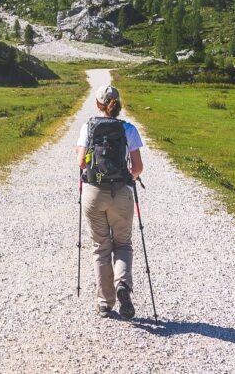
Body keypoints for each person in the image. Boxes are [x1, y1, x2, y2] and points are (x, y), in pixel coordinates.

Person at [75, 83, 143, 319]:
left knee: (101, 248)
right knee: (123, 244)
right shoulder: (129, 129)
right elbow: (137, 168)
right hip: (121, 193)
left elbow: (81, 163)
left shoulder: (88, 127)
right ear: (118, 104)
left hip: (93, 192)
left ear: (98, 104)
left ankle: (105, 303)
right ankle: (122, 284)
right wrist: (128, 177)